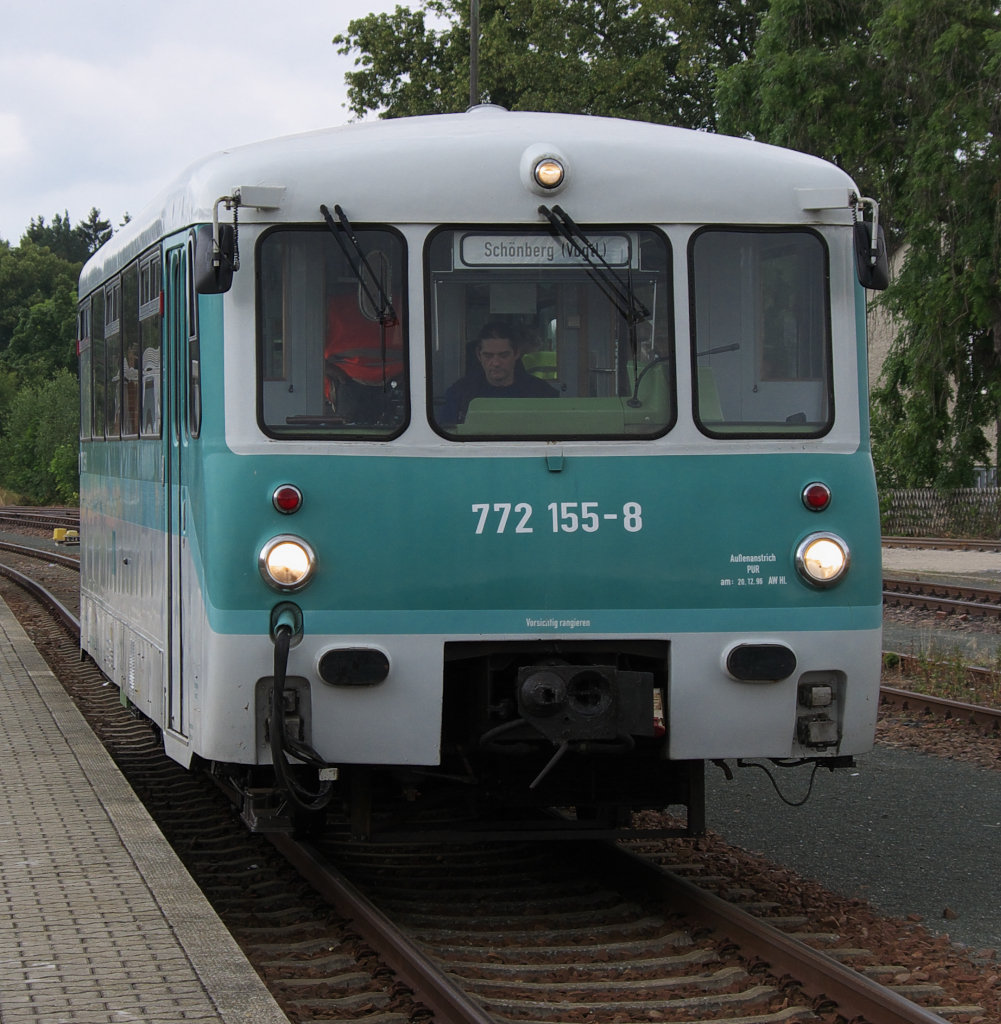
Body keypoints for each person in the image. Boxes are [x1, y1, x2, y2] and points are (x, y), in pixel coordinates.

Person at [439, 322, 559, 426]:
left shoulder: (543, 393)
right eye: (488, 355)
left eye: (503, 355)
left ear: (516, 353)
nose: (496, 363)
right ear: (478, 355)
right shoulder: (459, 393)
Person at [324, 290, 404, 423]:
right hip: (393, 378)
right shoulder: (403, 297)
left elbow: (309, 346)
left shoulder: (331, 302)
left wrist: (328, 369)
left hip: (347, 378)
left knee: (348, 433)